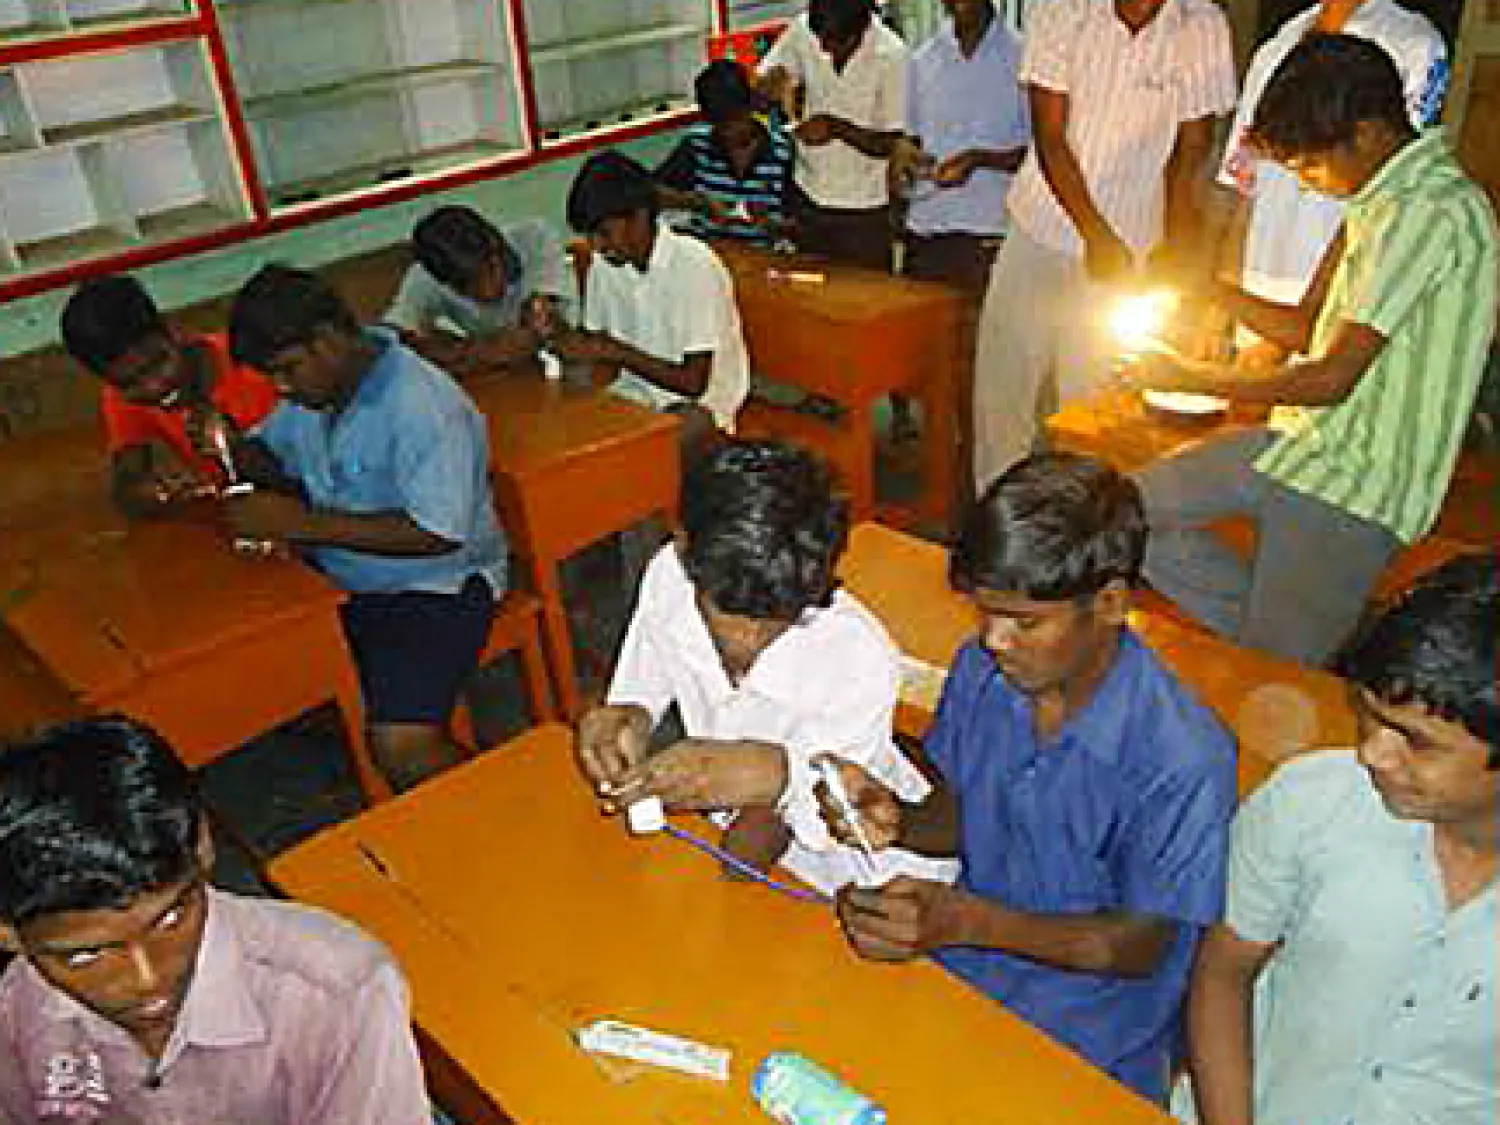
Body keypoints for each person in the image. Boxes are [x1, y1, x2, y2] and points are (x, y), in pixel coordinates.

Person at [821, 452, 1236, 1103]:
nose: (994, 639)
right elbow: (966, 812)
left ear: (1110, 603)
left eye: (1025, 621)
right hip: (967, 979)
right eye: (985, 612)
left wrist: (965, 922)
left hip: (1089, 1039)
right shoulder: (985, 673)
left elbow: (1135, 945)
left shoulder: (1181, 757)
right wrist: (899, 817)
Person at [1128, 36, 1498, 666]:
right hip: (1301, 448)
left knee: (1276, 675)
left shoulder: (1430, 211)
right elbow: (1306, 330)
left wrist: (1191, 376)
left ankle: (1285, 657)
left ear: (1367, 133)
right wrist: (1210, 288)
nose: (1309, 183)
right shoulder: (1379, 204)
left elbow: (1332, 377)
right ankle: (1278, 644)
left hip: (1354, 487)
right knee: (1125, 513)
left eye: (1311, 165)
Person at [1179, 550, 1498, 1125]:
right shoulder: (1314, 801)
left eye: (1417, 741)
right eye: (1370, 714)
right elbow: (1224, 974)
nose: (1373, 753)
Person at [0, 716, 430, 1124]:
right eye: (85, 956)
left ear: (203, 848)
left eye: (171, 918)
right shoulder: (18, 1006)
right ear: (9, 935)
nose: (147, 980)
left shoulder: (337, 994)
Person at [574, 440, 955, 895]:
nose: (747, 639)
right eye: (727, 615)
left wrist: (772, 775)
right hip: (737, 844)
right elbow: (641, 689)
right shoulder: (669, 577)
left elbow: (797, 830)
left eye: (774, 622)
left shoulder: (859, 658)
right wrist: (626, 718)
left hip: (861, 875)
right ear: (683, 547)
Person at [223, 264, 508, 791]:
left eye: (287, 370)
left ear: (328, 340)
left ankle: (514, 806)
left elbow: (437, 533)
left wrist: (303, 524)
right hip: (344, 576)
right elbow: (272, 452)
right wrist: (232, 446)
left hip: (435, 586)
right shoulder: (315, 395)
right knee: (260, 674)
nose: (282, 388)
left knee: (402, 748)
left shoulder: (423, 404)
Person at [970, 0, 1237, 490]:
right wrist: (1096, 234)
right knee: (1004, 395)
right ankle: (997, 513)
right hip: (1039, 233)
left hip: (1131, 249)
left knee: (1091, 406)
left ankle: (1079, 523)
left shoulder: (1201, 25)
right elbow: (1050, 138)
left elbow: (1192, 151)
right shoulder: (1061, 10)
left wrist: (1176, 248)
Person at [1210, 0, 1446, 367]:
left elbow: (1386, 186)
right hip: (1259, 291)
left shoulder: (1411, 43)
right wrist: (1222, 304)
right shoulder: (1279, 45)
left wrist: (1291, 332)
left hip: (1337, 307)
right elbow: (1246, 183)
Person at [888, 0, 1028, 476]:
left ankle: (981, 458)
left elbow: (1037, 151)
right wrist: (908, 160)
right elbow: (908, 140)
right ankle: (939, 458)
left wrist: (979, 159)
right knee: (928, 356)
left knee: (981, 361)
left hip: (988, 230)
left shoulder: (1022, 57)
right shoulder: (923, 59)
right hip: (929, 226)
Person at [557, 150, 750, 452]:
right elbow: (596, 350)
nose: (596, 246)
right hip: (633, 397)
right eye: (590, 236)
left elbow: (693, 383)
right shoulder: (604, 265)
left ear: (640, 217)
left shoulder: (694, 265)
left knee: (661, 441)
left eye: (604, 233)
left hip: (700, 408)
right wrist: (563, 340)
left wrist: (617, 353)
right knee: (569, 430)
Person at [58, 274, 278, 517]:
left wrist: (238, 451)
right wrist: (156, 491)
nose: (154, 386)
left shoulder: (257, 363)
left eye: (158, 362)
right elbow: (127, 484)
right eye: (130, 383)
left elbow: (299, 476)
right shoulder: (122, 397)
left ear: (174, 331)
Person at [758, 0, 908, 270]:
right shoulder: (803, 31)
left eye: (833, 41)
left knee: (865, 289)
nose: (823, 48)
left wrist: (837, 128)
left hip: (864, 209)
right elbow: (768, 82)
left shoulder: (893, 56)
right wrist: (768, 86)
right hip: (807, 195)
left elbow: (894, 142)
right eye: (819, 38)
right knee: (808, 285)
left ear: (861, 30)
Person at [381, 205, 572, 377]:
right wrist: (476, 350)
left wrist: (539, 320)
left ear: (497, 249)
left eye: (492, 270)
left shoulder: (535, 239)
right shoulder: (424, 277)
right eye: (466, 286)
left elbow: (551, 315)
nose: (488, 291)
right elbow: (391, 339)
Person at [654, 60, 797, 246]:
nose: (728, 133)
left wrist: (771, 224)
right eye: (719, 123)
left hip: (764, 255)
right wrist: (696, 203)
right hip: (711, 252)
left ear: (750, 106)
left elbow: (802, 223)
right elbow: (650, 191)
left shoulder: (782, 152)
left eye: (735, 119)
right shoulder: (696, 146)